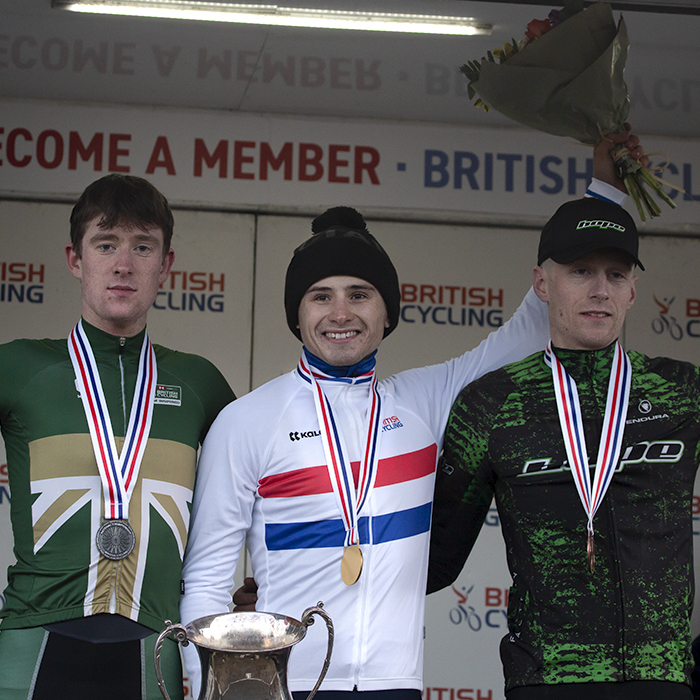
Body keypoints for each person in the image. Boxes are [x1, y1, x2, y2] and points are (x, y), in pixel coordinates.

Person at [179, 131, 644, 700]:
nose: (341, 313)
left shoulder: (425, 401)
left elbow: (528, 328)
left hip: (396, 688)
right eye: (320, 296)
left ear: (388, 312)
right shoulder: (246, 422)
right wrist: (210, 687)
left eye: (360, 293)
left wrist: (605, 197)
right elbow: (204, 583)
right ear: (297, 314)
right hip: (283, 688)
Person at [428, 172, 699, 698]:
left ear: (633, 290)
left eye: (616, 275)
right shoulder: (492, 402)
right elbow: (433, 561)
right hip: (547, 680)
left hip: (661, 681)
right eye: (580, 271)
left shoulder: (682, 391)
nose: (600, 290)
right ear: (542, 283)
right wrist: (298, 576)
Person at [0, 174, 235, 700]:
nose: (123, 264)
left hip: (155, 646)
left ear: (166, 265)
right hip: (32, 640)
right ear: (75, 259)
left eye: (142, 247)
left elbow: (260, 496)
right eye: (106, 244)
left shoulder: (198, 382)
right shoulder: (19, 368)